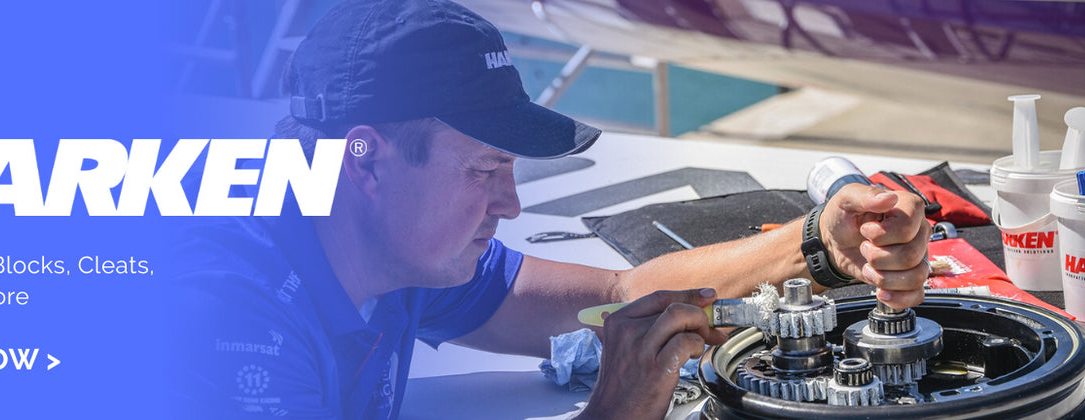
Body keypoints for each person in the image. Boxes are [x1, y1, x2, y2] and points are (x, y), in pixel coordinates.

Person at [172, 0, 931, 418]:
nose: (508, 203)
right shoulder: (220, 321)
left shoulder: (387, 249)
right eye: (484, 168)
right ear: (365, 160)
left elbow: (618, 298)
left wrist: (823, 246)